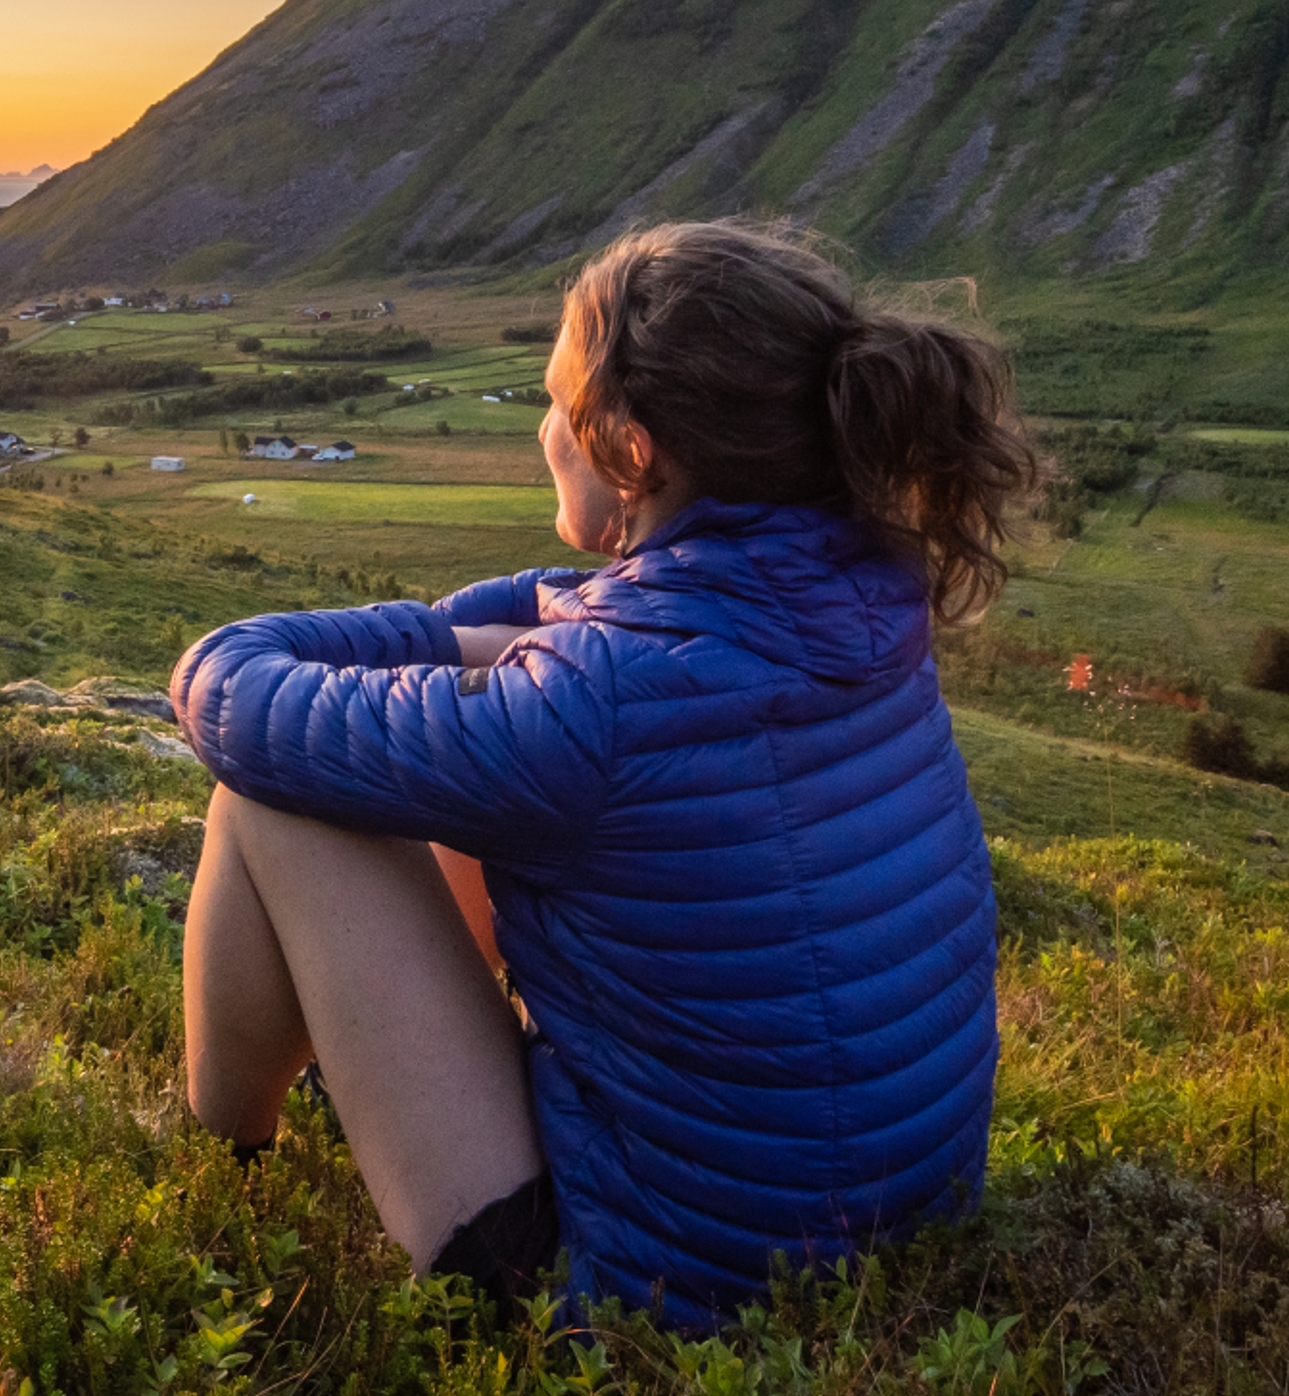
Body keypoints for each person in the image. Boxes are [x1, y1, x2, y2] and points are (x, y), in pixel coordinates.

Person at [167, 219, 1044, 1325]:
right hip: (889, 1223)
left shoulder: (601, 701)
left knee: (270, 801)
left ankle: (222, 1157)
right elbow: (596, 632)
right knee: (467, 776)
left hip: (644, 1290)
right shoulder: (867, 587)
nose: (543, 428)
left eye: (555, 403)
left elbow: (233, 695)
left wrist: (392, 640)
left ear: (633, 451)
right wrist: (489, 635)